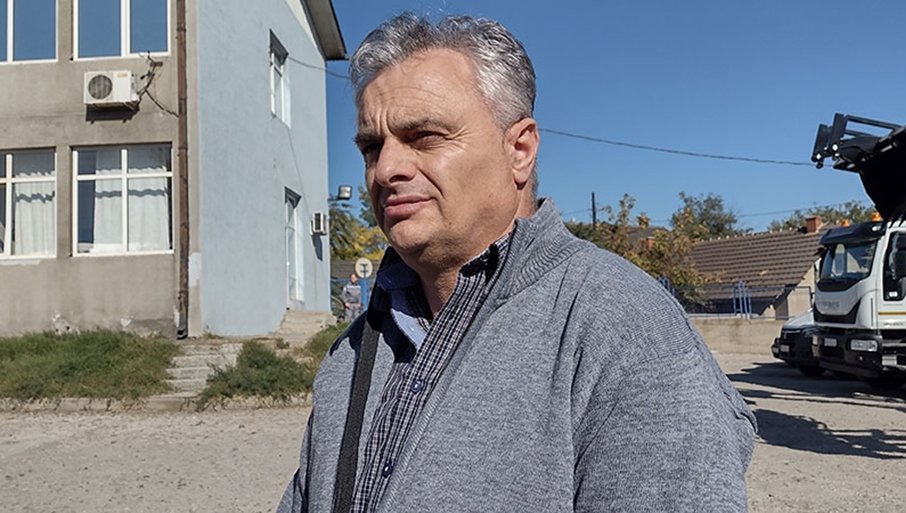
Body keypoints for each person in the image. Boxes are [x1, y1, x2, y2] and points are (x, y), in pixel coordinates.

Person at [279, 13, 755, 513]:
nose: (386, 169)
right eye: (372, 147)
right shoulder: (353, 350)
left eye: (424, 136)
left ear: (520, 150)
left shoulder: (622, 329)